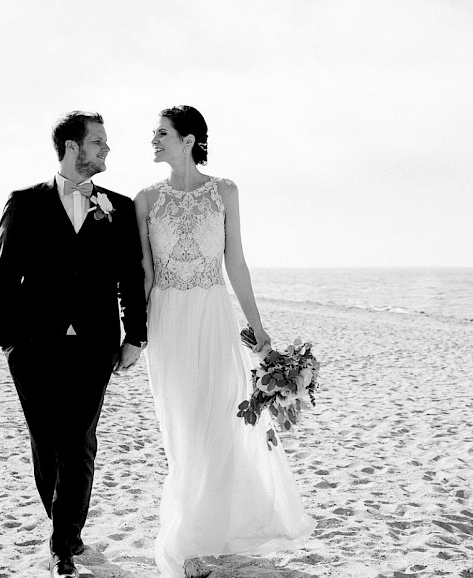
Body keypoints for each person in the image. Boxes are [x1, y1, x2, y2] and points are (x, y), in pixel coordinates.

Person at [134, 105, 315, 577]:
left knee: (218, 419)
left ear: (189, 139)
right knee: (181, 426)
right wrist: (135, 333)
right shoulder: (146, 200)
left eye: (162, 133)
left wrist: (258, 328)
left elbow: (236, 262)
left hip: (213, 316)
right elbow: (144, 274)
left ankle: (204, 534)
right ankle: (189, 541)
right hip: (168, 320)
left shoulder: (225, 192)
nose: (154, 140)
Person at [0, 111, 147, 578]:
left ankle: (63, 544)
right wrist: (11, 345)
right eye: (98, 142)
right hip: (34, 347)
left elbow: (132, 279)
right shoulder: (24, 203)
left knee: (77, 443)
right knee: (45, 443)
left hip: (95, 347)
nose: (106, 150)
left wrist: (135, 336)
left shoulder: (117, 207)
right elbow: (5, 278)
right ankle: (66, 529)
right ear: (71, 147)